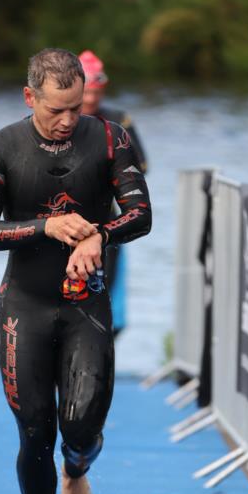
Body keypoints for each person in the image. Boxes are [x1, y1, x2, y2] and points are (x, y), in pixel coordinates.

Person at [0, 48, 151, 494]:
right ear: (30, 98)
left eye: (76, 107)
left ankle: (77, 468)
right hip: (23, 304)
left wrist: (99, 235)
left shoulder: (110, 137)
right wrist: (45, 227)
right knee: (34, 430)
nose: (69, 119)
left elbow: (141, 214)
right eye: (56, 110)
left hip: (85, 304)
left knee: (82, 427)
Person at [79, 50, 148, 337]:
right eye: (87, 92)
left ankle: (101, 351)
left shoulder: (118, 120)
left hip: (107, 222)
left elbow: (142, 165)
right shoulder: (62, 121)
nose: (92, 99)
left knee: (107, 300)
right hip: (65, 219)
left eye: (97, 92)